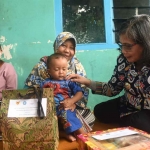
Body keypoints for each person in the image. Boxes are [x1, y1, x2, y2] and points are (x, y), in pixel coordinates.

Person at [66, 14, 150, 133]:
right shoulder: (124, 61)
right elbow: (112, 89)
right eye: (121, 45)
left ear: (145, 43)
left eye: (128, 46)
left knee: (137, 121)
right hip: (128, 104)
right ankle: (128, 121)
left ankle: (130, 122)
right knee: (100, 111)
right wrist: (87, 82)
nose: (123, 51)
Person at [25, 32, 95, 132]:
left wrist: (73, 103)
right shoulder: (41, 66)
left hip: (69, 107)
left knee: (89, 117)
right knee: (34, 119)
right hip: (47, 108)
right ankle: (62, 129)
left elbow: (83, 91)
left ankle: (60, 129)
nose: (67, 50)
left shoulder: (77, 66)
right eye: (63, 45)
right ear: (56, 46)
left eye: (71, 47)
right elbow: (30, 91)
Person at [40, 53, 86, 141]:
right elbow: (39, 96)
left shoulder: (68, 82)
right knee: (40, 122)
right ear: (49, 71)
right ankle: (63, 134)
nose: (61, 72)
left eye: (64, 69)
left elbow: (79, 93)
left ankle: (84, 137)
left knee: (69, 116)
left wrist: (72, 101)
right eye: (57, 69)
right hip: (49, 110)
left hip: (64, 108)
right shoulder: (44, 83)